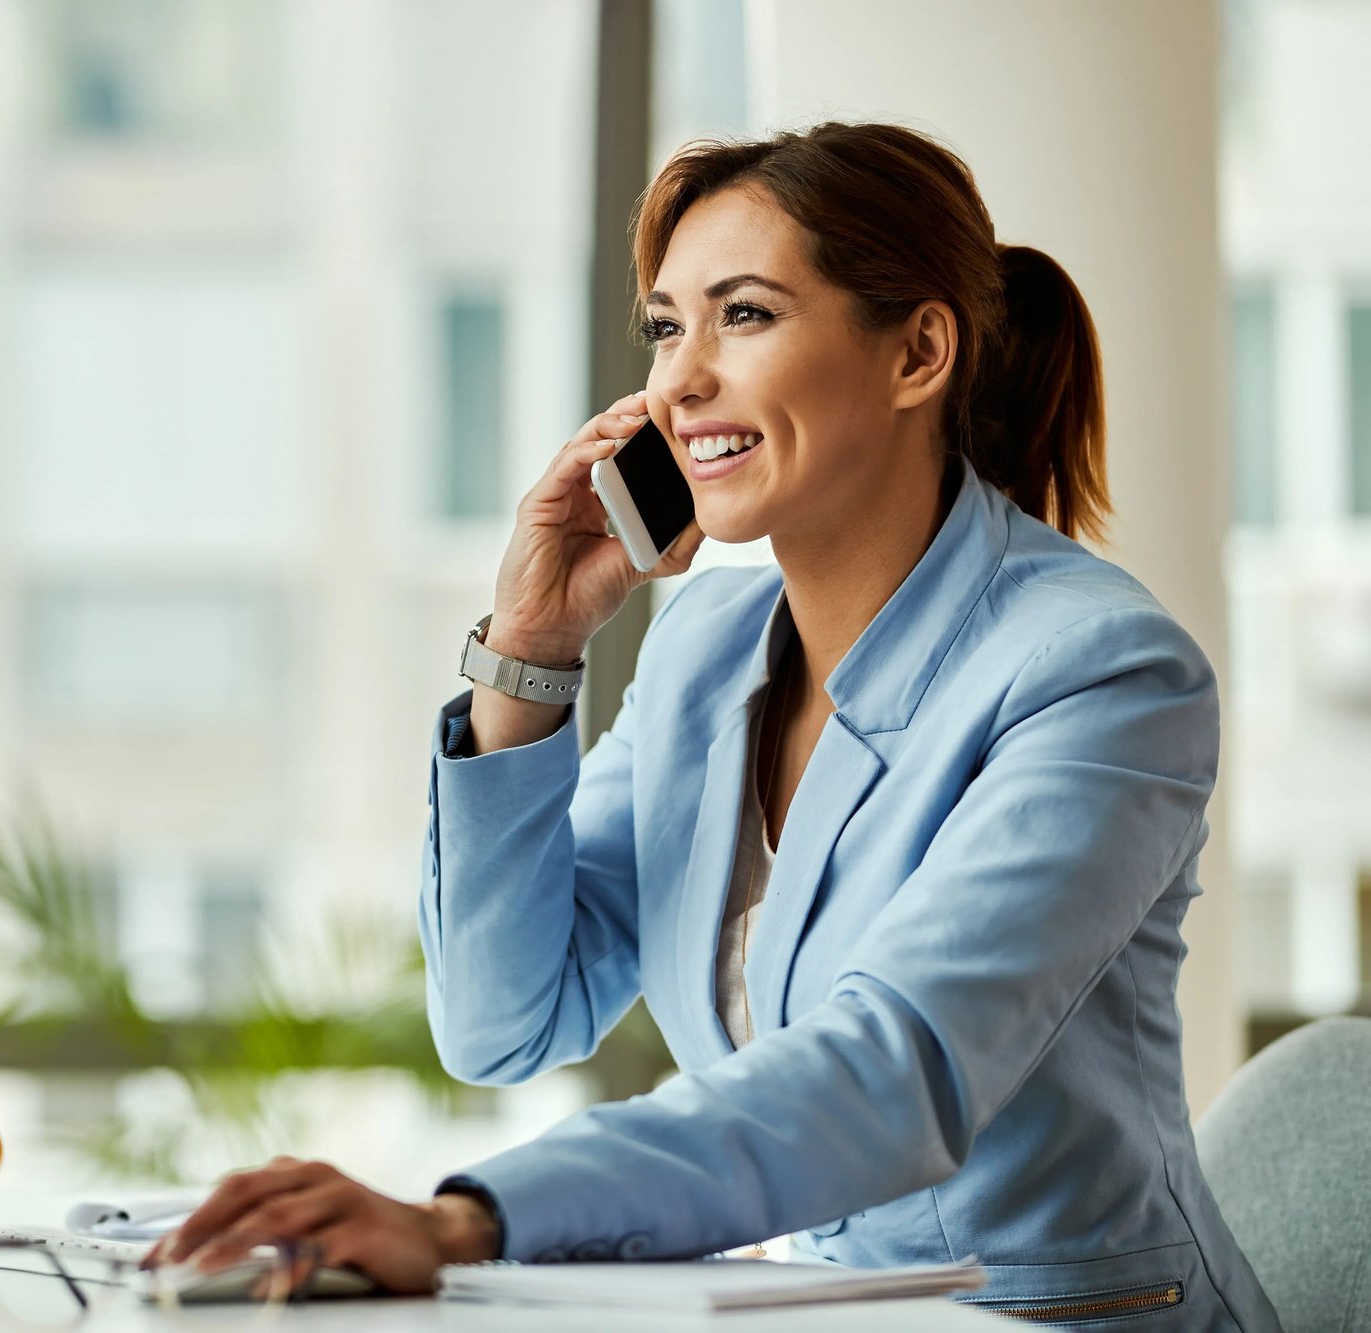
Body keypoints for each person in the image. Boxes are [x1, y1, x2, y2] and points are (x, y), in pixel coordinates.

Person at [146, 123, 1280, 1330]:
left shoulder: (1099, 672)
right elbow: (500, 1021)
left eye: (741, 315)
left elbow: (895, 1073)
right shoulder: (704, 648)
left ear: (917, 353)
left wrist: (466, 1218)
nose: (676, 382)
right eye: (664, 326)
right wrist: (527, 656)